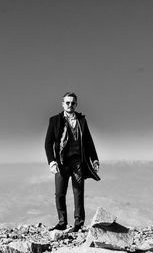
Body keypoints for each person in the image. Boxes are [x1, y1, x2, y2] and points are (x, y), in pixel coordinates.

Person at [44, 92, 100, 232]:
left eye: (73, 103)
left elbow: (88, 141)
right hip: (61, 163)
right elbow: (48, 143)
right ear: (62, 104)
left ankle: (78, 224)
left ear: (76, 104)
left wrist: (94, 159)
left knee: (78, 192)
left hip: (77, 162)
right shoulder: (54, 120)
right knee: (59, 193)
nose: (70, 105)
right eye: (67, 102)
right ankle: (62, 222)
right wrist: (52, 161)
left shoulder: (82, 121)